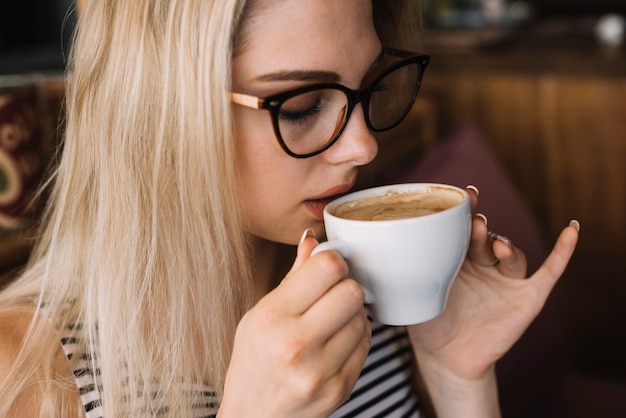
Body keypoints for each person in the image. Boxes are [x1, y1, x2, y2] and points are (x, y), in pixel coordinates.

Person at [0, 0, 579, 417]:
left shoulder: (367, 296)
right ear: (158, 113)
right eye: (302, 106)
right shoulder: (24, 372)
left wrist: (459, 381)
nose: (364, 147)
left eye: (369, 87)